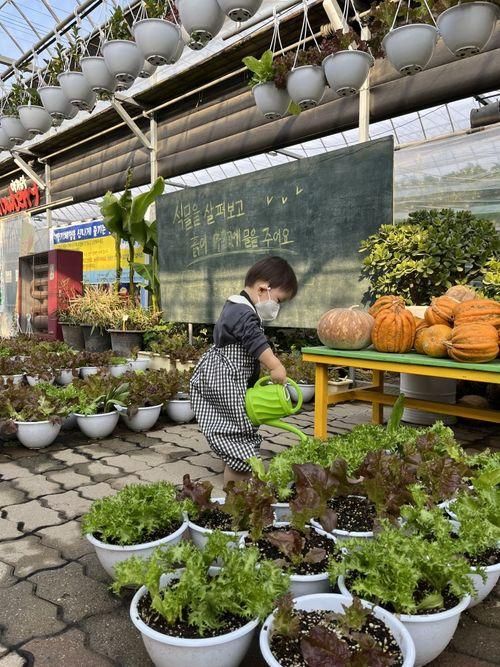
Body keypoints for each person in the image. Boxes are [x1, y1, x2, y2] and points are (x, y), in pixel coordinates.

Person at [190, 256, 298, 484]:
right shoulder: (242, 312)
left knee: (232, 420)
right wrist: (275, 365)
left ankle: (233, 459)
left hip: (224, 376)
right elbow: (255, 341)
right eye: (278, 300)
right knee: (238, 424)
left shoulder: (238, 306)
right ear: (262, 288)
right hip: (224, 377)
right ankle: (238, 482)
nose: (277, 307)